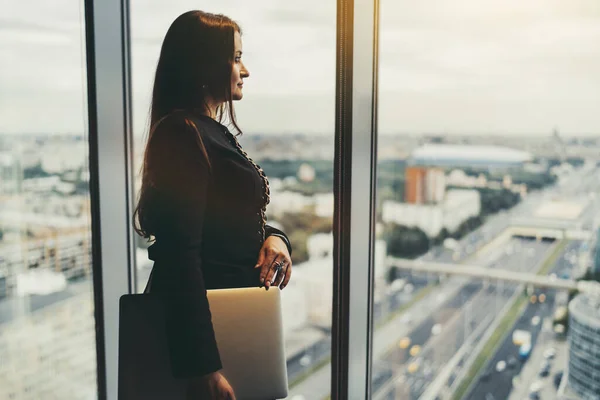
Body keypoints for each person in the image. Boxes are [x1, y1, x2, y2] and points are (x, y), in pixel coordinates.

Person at [133, 10, 293, 399]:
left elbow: (224, 222)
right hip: (210, 337)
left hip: (228, 321)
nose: (246, 70)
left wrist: (277, 239)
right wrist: (203, 369)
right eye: (236, 57)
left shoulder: (204, 132)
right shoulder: (183, 134)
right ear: (206, 64)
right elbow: (180, 254)